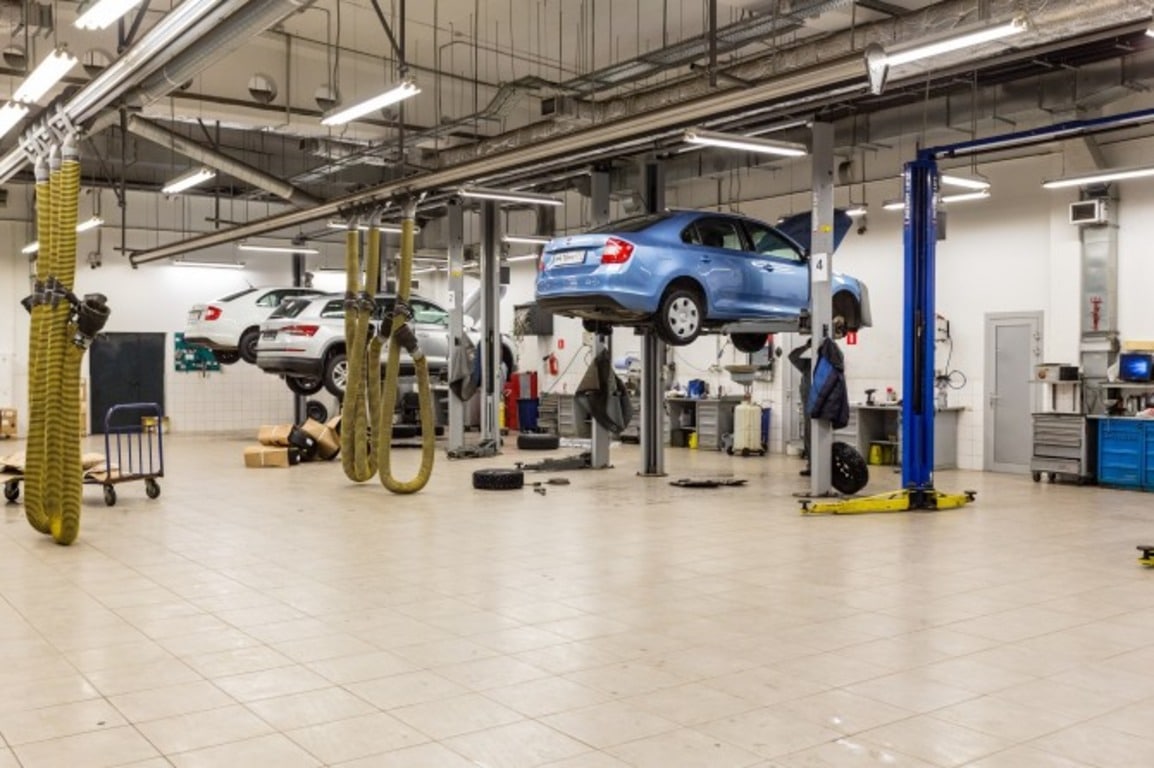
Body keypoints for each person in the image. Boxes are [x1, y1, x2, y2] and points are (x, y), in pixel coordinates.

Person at [789, 338, 812, 476]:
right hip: (809, 405)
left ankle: (820, 466)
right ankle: (811, 465)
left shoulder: (827, 364)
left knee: (819, 436)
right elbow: (792, 356)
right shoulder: (807, 364)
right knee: (809, 435)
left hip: (821, 405)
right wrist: (806, 346)